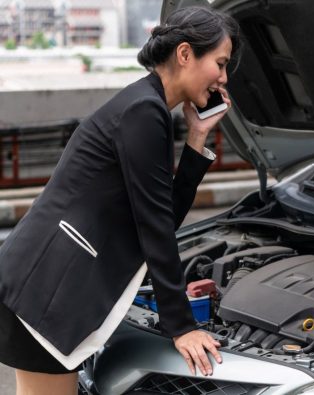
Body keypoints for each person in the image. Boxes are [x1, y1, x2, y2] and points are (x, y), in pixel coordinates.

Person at [0, 6, 241, 394]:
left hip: (44, 288)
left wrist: (196, 139)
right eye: (220, 62)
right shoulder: (143, 112)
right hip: (46, 293)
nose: (224, 78)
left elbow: (162, 213)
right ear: (184, 54)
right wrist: (180, 326)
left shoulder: (148, 107)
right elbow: (155, 227)